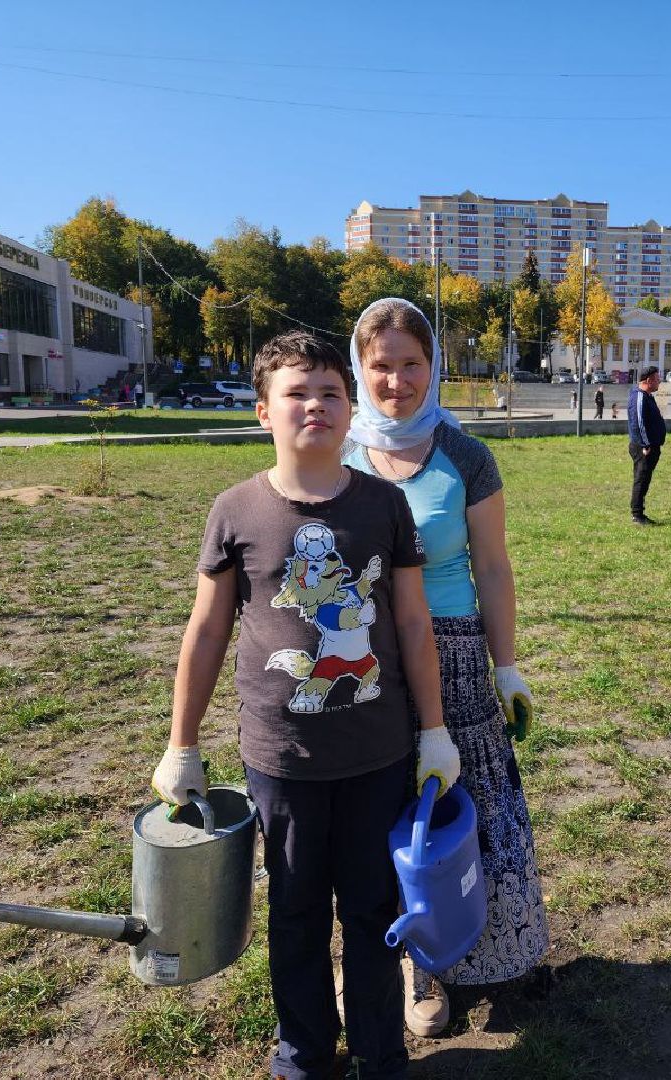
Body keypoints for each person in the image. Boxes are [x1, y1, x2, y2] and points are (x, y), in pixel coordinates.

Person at [150, 329, 460, 1080]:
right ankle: (305, 1057)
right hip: (281, 762)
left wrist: (435, 732)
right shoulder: (235, 511)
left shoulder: (384, 506)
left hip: (378, 756)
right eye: (297, 392)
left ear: (351, 409)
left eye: (331, 392)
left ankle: (382, 1057)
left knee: (373, 911)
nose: (316, 404)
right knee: (294, 913)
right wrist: (180, 744)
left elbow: (413, 624)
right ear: (263, 410)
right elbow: (207, 631)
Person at [342, 298, 548, 1037]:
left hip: (456, 654)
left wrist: (507, 666)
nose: (396, 381)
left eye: (411, 364)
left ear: (433, 369)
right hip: (365, 659)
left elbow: (492, 567)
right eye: (381, 366)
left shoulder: (465, 456)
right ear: (360, 369)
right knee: (380, 816)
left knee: (463, 806)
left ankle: (477, 951)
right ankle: (409, 965)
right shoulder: (339, 454)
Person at [627, 366, 666, 525]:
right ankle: (637, 515)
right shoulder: (639, 397)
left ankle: (640, 512)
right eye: (657, 379)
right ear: (649, 380)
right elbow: (638, 422)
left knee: (645, 479)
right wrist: (645, 444)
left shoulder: (648, 396)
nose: (659, 382)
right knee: (641, 479)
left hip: (651, 446)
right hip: (643, 448)